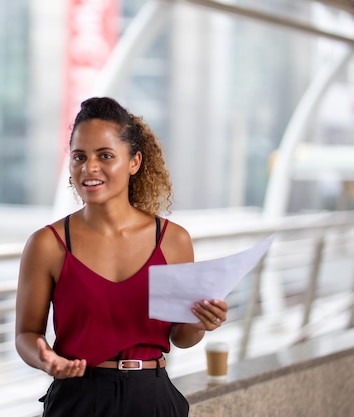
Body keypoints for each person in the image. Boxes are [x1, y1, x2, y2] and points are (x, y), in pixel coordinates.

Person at [15, 97, 228, 416]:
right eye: (79, 156)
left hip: (153, 399)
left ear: (134, 162)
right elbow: (25, 334)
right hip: (77, 400)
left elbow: (182, 337)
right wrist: (44, 357)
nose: (89, 168)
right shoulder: (47, 244)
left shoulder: (172, 240)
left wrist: (200, 322)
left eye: (105, 155)